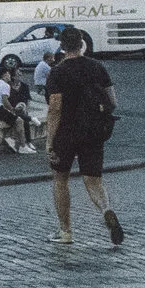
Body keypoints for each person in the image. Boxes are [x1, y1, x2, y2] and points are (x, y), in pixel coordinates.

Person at [43, 25, 124, 246]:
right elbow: (113, 101)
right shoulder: (97, 67)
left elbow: (55, 108)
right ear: (81, 44)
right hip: (93, 131)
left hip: (66, 133)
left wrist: (49, 142)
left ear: (61, 46)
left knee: (60, 180)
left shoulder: (57, 72)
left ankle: (65, 232)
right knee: (93, 180)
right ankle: (106, 209)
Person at [0, 62, 35, 154]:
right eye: (8, 74)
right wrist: (12, 109)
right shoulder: (5, 85)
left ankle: (10, 137)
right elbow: (5, 101)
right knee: (19, 120)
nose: (10, 76)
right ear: (4, 75)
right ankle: (23, 146)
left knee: (12, 119)